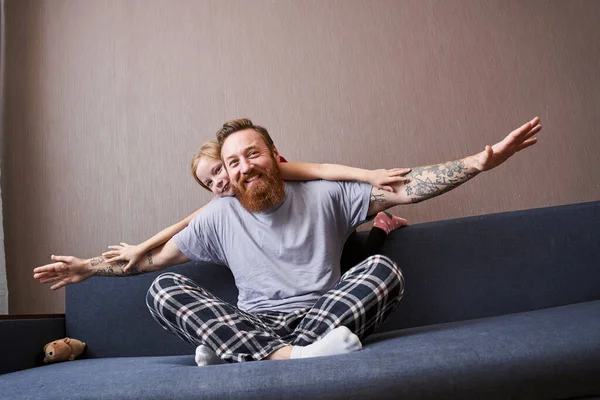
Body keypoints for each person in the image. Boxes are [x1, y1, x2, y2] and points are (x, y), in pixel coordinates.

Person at [33, 116, 542, 365]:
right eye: (232, 163)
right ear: (226, 176)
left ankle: (241, 354)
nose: (242, 167)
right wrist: (88, 267)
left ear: (275, 157)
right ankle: (291, 358)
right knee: (164, 289)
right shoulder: (218, 217)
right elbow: (147, 263)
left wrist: (479, 162)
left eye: (252, 154)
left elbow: (408, 187)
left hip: (324, 313)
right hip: (258, 320)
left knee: (383, 272)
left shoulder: (326, 195)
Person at [100, 139, 409, 272]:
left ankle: (383, 223)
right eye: (208, 183)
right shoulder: (227, 200)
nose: (218, 183)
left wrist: (370, 176)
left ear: (231, 161)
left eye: (218, 171)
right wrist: (140, 247)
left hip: (323, 221)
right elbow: (184, 223)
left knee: (356, 258)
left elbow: (321, 170)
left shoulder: (271, 171)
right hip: (292, 239)